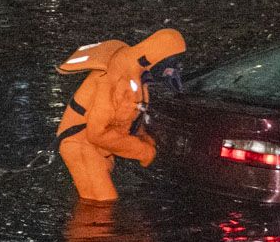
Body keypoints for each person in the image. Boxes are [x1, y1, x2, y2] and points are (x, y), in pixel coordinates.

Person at [55, 28, 186, 202]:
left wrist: (144, 138)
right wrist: (141, 150)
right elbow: (96, 133)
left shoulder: (134, 70)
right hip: (80, 144)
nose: (170, 74)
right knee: (101, 204)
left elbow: (131, 113)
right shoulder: (116, 80)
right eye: (169, 69)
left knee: (97, 197)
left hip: (99, 146)